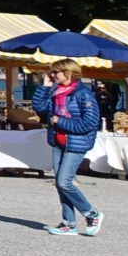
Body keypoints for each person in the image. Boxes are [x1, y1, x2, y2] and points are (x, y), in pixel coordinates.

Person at [29, 62, 106, 237]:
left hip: (76, 143)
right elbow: (39, 108)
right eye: (51, 72)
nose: (52, 75)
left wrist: (60, 121)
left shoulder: (83, 94)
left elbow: (90, 122)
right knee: (60, 184)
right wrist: (45, 86)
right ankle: (68, 223)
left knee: (64, 182)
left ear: (68, 72)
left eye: (55, 72)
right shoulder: (55, 92)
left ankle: (91, 213)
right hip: (58, 142)